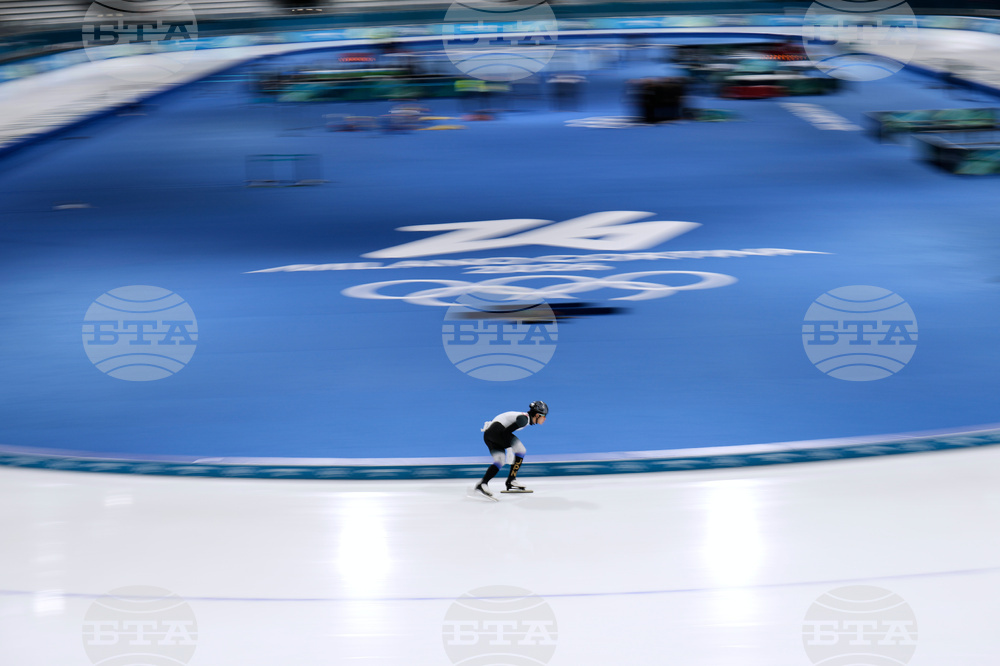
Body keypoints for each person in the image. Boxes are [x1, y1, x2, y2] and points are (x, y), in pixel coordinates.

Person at [474, 401, 548, 500]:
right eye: (544, 416)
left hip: (489, 434)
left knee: (499, 461)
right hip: (497, 432)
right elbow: (505, 433)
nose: (545, 419)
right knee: (521, 450)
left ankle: (482, 484)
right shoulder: (524, 419)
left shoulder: (523, 417)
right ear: (537, 415)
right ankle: (511, 480)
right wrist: (509, 450)